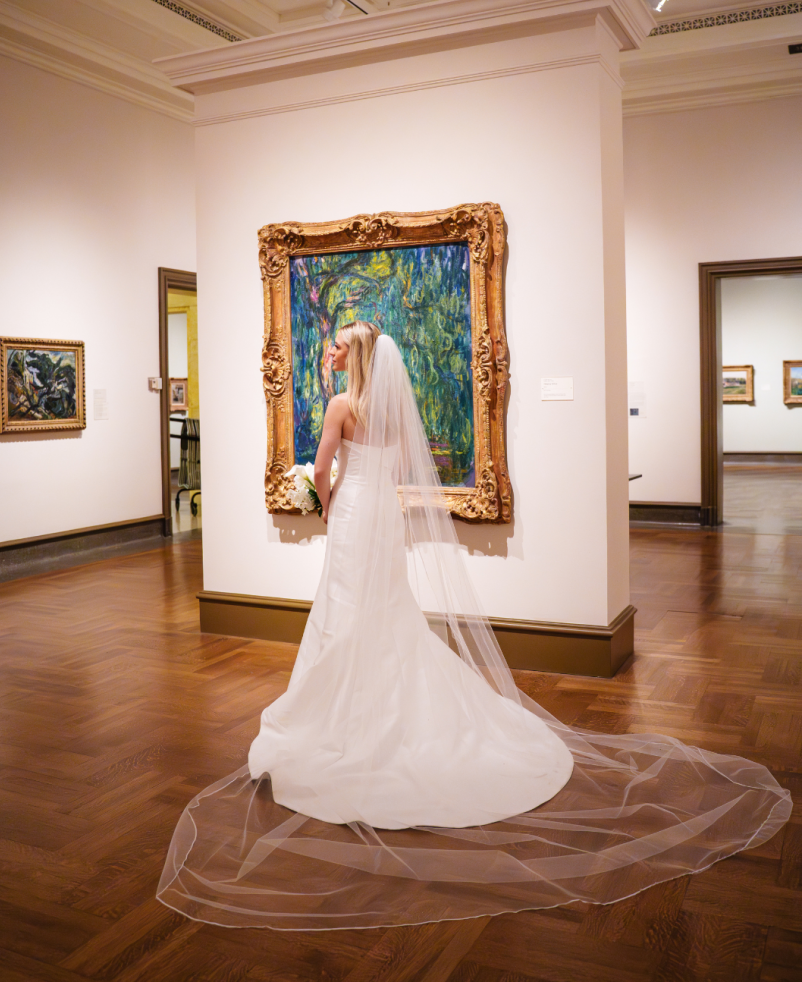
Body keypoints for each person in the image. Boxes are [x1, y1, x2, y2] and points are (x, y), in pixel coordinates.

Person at [158, 322, 791, 931]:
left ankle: (341, 714)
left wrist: (321, 495)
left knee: (345, 606)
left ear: (353, 356)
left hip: (353, 511)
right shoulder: (385, 406)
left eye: (337, 348)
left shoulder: (338, 407)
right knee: (382, 603)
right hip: (383, 512)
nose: (331, 354)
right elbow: (403, 464)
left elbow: (323, 469)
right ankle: (378, 698)